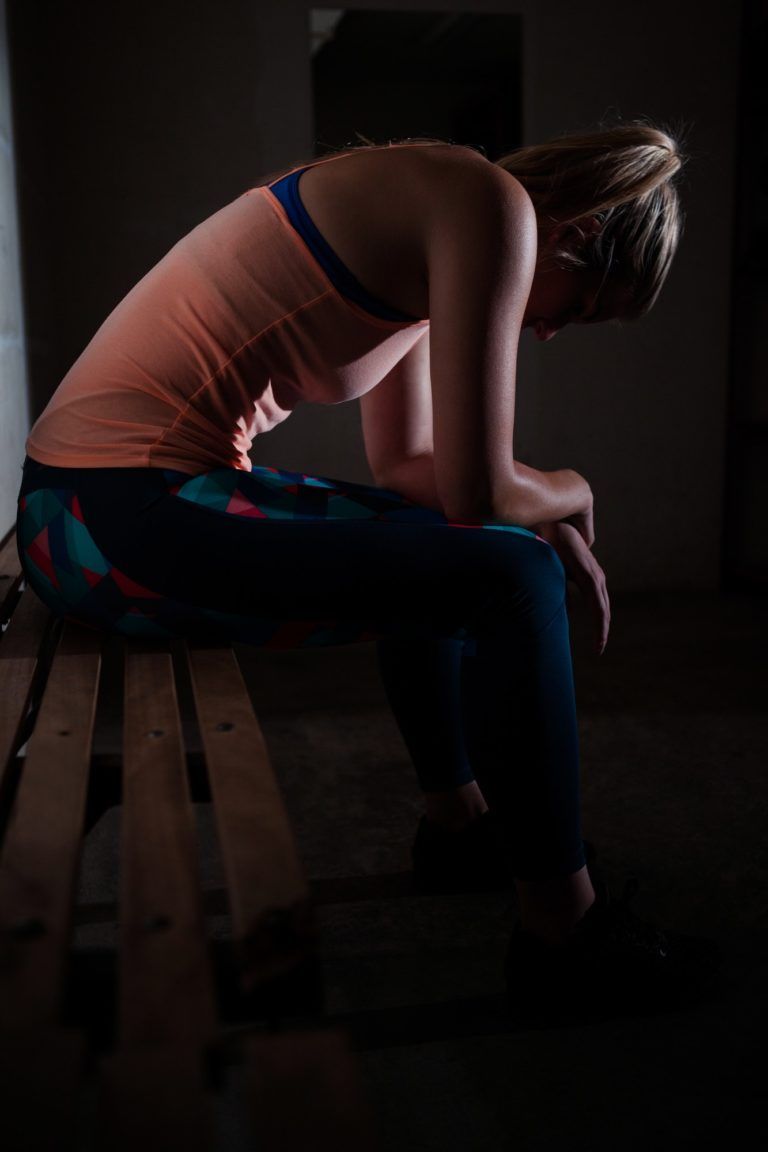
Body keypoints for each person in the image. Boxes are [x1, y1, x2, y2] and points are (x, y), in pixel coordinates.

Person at [15, 123, 722, 1023]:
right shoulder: (486, 205)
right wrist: (573, 489)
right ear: (577, 234)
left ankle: (460, 824)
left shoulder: (434, 205)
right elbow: (479, 488)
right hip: (105, 525)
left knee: (460, 544)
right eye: (575, 308)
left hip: (80, 512)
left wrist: (522, 509)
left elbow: (416, 473)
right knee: (516, 579)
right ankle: (563, 932)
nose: (545, 330)